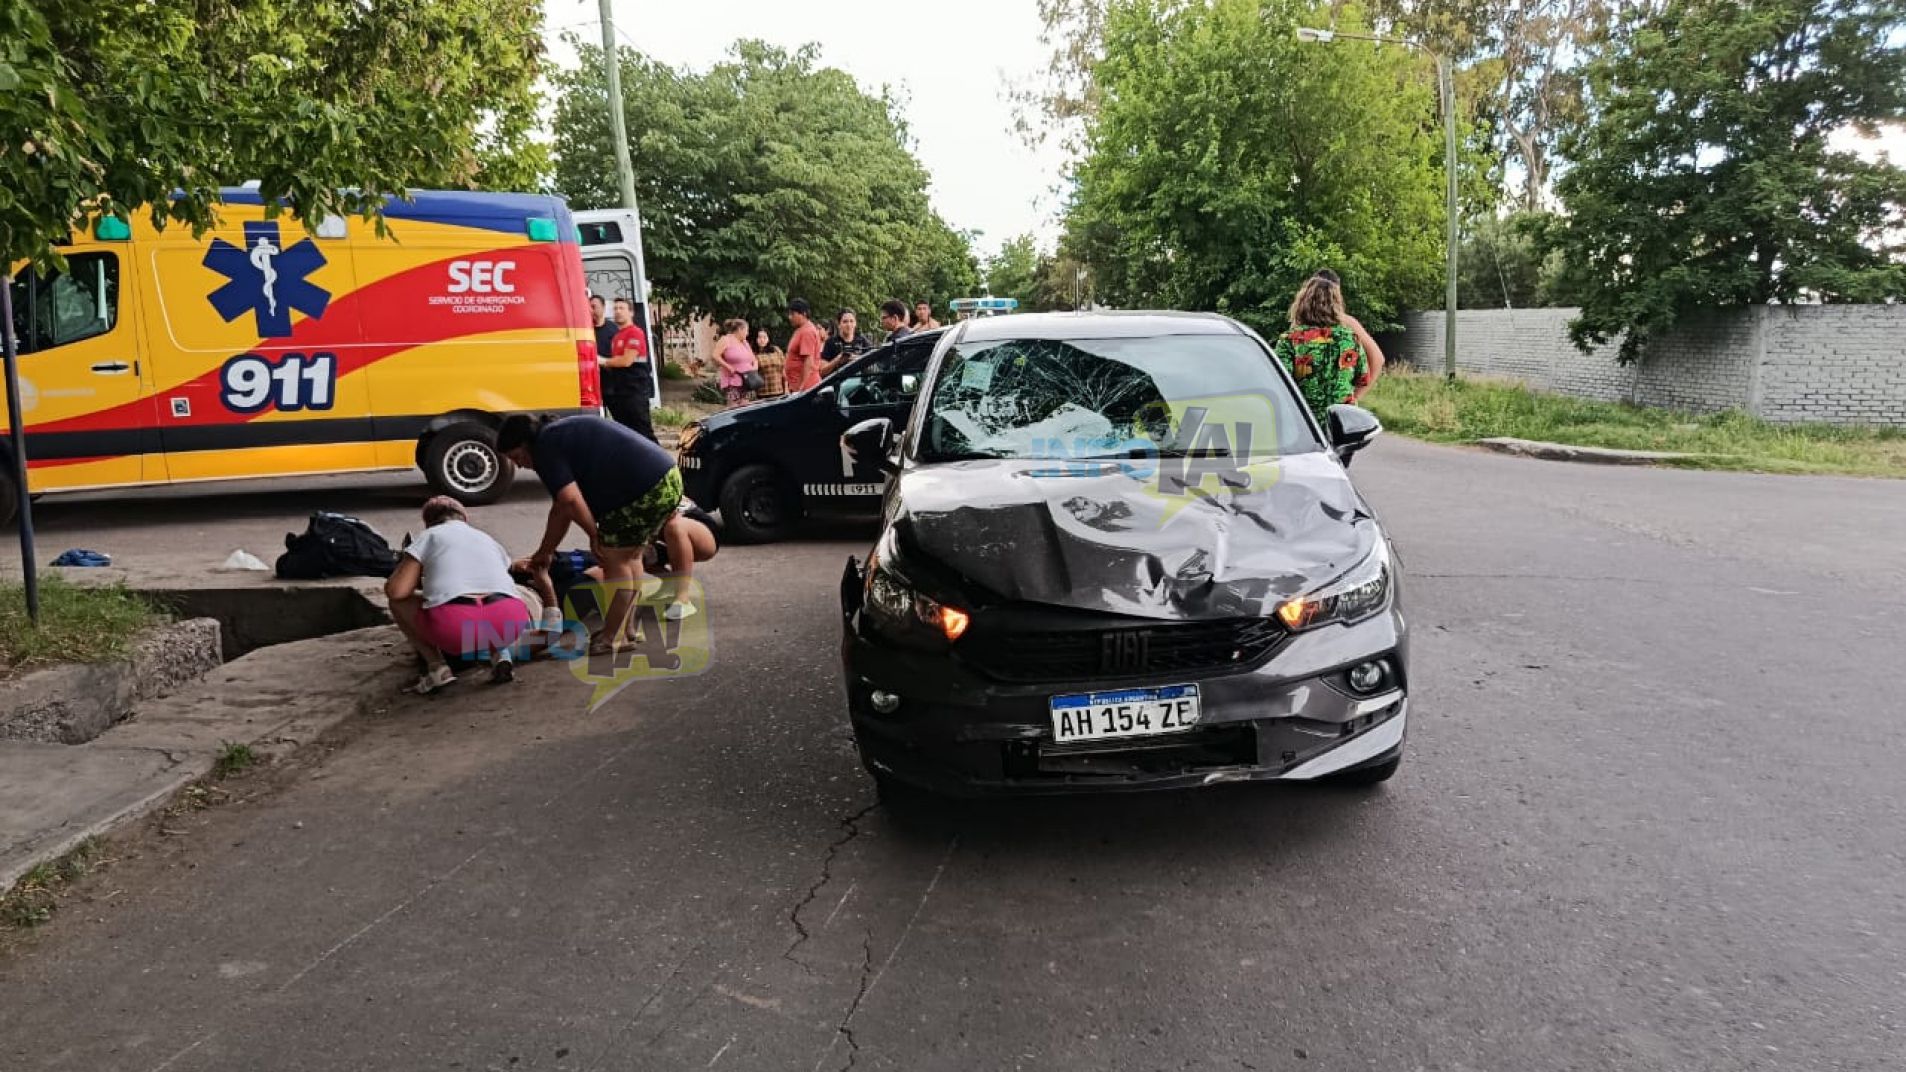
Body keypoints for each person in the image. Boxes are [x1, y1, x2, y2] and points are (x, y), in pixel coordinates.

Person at [496, 413, 686, 653]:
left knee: (614, 559)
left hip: (645, 488)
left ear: (525, 445)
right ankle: (625, 631)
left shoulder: (545, 447)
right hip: (667, 478)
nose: (519, 465)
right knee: (630, 557)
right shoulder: (559, 435)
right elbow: (561, 510)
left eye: (516, 457)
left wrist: (595, 535)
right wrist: (545, 552)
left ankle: (612, 637)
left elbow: (570, 502)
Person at [385, 496, 534, 693]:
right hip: (509, 622)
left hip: (456, 627)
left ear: (429, 522)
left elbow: (396, 591)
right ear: (464, 517)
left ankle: (437, 669)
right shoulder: (485, 538)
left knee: (398, 603)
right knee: (495, 594)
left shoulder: (429, 537)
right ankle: (501, 654)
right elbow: (500, 574)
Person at [1273, 275, 1372, 425]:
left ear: (1302, 303)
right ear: (1336, 305)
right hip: (1342, 423)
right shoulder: (1350, 338)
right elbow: (1363, 378)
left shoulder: (1290, 340)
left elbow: (1279, 382)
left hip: (1305, 423)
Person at [1312, 269, 1386, 391]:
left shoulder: (1345, 322)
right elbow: (1377, 359)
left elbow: (1377, 359)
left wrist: (1356, 397)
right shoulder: (1345, 322)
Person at [602, 297, 657, 442]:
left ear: (631, 312)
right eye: (615, 309)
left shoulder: (635, 333)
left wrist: (602, 361)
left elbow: (626, 361)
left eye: (622, 308)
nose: (618, 312)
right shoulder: (617, 337)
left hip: (635, 391)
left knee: (643, 431)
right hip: (621, 391)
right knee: (627, 434)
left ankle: (662, 464)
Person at [713, 318, 758, 406]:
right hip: (733, 380)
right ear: (740, 330)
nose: (747, 333)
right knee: (733, 407)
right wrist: (728, 366)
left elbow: (754, 358)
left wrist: (754, 367)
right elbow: (715, 355)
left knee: (745, 407)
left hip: (746, 381)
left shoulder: (745, 343)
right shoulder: (726, 340)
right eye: (746, 330)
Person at [785, 299, 825, 394]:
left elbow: (808, 361)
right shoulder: (800, 329)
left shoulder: (807, 332)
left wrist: (801, 388)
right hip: (798, 387)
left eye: (792, 314)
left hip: (807, 388)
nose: (790, 317)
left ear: (803, 314)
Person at [817, 308, 873, 377]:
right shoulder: (831, 342)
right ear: (839, 324)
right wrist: (838, 359)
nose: (849, 325)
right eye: (845, 322)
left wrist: (858, 359)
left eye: (851, 321)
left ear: (855, 323)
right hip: (837, 383)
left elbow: (873, 366)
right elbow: (822, 372)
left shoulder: (862, 340)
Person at [752, 327, 787, 400]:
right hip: (762, 393)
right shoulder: (753, 354)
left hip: (779, 390)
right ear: (756, 339)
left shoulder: (776, 350)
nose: (762, 340)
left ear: (768, 338)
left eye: (764, 337)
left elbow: (784, 369)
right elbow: (753, 375)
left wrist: (786, 388)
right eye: (759, 337)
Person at [589, 294, 617, 372]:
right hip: (591, 376)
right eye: (589, 308)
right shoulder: (586, 330)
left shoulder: (614, 329)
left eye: (593, 307)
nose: (590, 311)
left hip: (611, 377)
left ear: (603, 307)